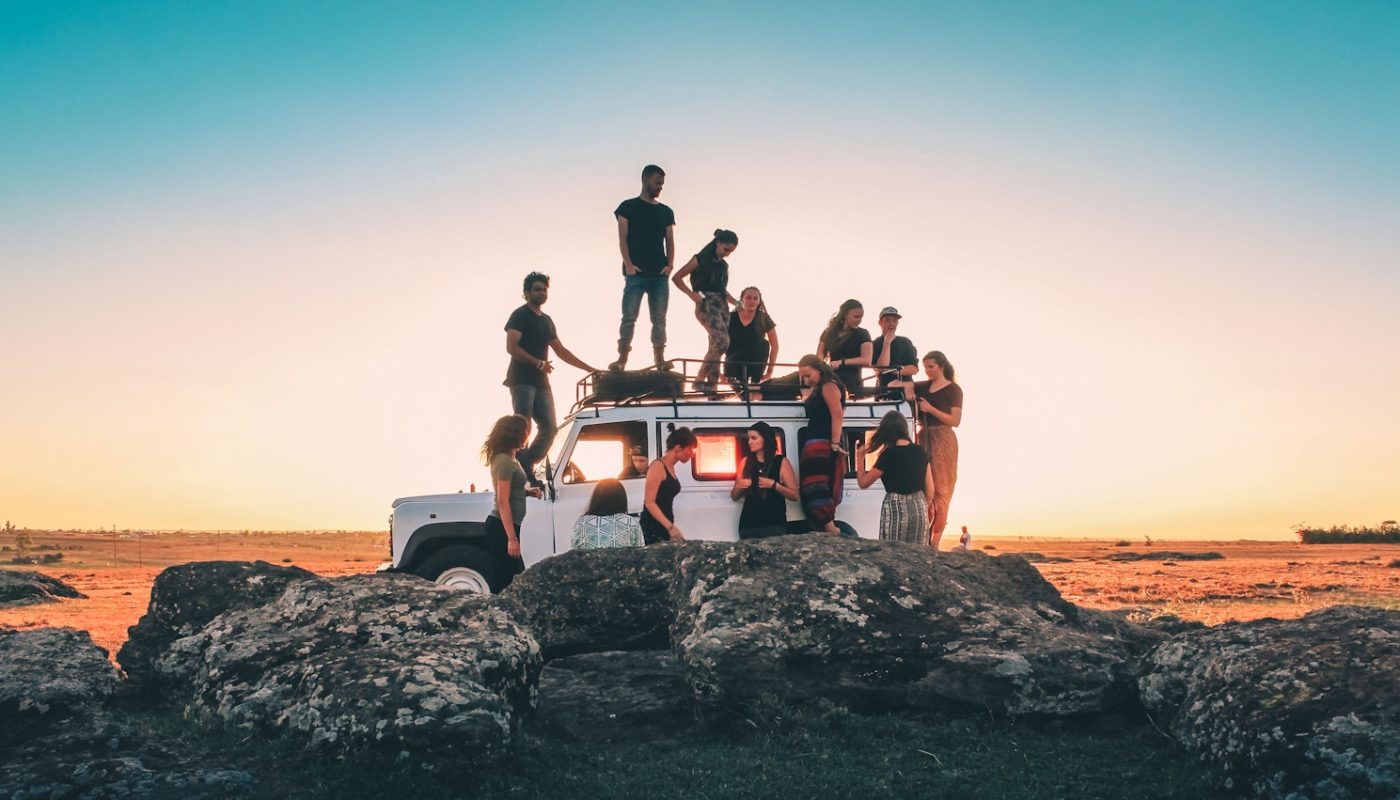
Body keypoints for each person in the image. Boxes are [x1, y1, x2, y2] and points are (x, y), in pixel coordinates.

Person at [504, 272, 599, 480]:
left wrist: (589, 368)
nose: (542, 293)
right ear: (527, 293)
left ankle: (526, 463)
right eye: (537, 289)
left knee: (550, 428)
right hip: (522, 379)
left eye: (545, 290)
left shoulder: (547, 321)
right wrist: (537, 363)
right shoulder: (520, 315)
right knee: (523, 426)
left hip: (541, 382)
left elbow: (561, 351)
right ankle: (520, 470)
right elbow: (511, 347)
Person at [611, 164, 676, 371]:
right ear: (646, 180)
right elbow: (622, 239)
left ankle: (659, 360)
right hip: (636, 274)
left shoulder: (666, 211)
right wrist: (629, 265)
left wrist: (670, 265)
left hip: (659, 275)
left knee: (659, 319)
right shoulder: (627, 207)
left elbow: (670, 240)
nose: (660, 187)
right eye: (657, 183)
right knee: (629, 317)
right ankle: (622, 359)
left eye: (662, 184)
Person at [904, 351, 963, 548]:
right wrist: (909, 389)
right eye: (925, 367)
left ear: (941, 366)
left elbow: (955, 421)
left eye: (931, 367)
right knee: (924, 488)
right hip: (924, 436)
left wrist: (930, 409)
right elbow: (898, 384)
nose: (927, 371)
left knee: (941, 489)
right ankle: (924, 537)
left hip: (943, 438)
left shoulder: (954, 390)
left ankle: (935, 541)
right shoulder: (924, 386)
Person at [854, 411, 935, 545]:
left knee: (894, 551)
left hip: (895, 509)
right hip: (919, 507)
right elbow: (930, 490)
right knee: (918, 552)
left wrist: (859, 457)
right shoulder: (920, 452)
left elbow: (863, 483)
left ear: (887, 432)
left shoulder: (888, 455)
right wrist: (920, 505)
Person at [672, 229, 739, 392]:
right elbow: (677, 277)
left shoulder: (723, 265)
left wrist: (736, 302)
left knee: (715, 347)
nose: (727, 254)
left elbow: (722, 289)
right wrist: (691, 294)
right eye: (726, 249)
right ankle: (699, 379)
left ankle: (712, 388)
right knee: (722, 341)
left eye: (731, 251)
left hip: (722, 305)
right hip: (706, 303)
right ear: (718, 243)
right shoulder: (700, 259)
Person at [481, 414, 540, 586]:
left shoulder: (511, 458)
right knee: (506, 579)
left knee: (513, 576)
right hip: (501, 527)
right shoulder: (504, 462)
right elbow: (502, 500)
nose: (527, 435)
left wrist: (528, 492)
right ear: (516, 434)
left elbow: (511, 489)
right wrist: (512, 539)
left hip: (510, 526)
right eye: (525, 431)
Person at [797, 355, 847, 533]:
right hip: (816, 439)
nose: (806, 379)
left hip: (822, 441)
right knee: (813, 483)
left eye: (808, 374)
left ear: (819, 370)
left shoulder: (829, 386)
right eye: (803, 376)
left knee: (817, 483)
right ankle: (825, 526)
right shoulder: (819, 387)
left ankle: (830, 528)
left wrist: (834, 444)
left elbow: (837, 415)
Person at [730, 421, 798, 539]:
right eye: (748, 439)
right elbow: (734, 496)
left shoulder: (781, 462)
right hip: (748, 526)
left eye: (754, 438)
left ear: (766, 439)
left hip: (774, 525)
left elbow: (795, 496)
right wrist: (739, 487)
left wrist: (774, 485)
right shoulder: (745, 462)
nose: (749, 442)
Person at [640, 426, 698, 544]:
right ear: (678, 448)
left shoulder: (670, 467)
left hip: (664, 525)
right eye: (690, 449)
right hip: (652, 526)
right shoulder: (658, 466)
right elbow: (649, 502)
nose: (692, 455)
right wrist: (670, 527)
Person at [724, 286, 779, 394]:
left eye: (755, 298)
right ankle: (739, 388)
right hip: (733, 363)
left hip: (754, 363)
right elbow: (717, 343)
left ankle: (754, 383)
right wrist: (719, 372)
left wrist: (769, 371)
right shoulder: (730, 317)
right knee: (734, 355)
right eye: (748, 297)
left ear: (759, 301)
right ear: (742, 300)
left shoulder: (764, 318)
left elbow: (775, 346)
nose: (752, 301)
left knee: (764, 344)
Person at [817, 299, 872, 396]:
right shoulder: (828, 333)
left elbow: (867, 360)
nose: (859, 320)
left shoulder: (862, 334)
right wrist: (821, 367)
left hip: (851, 382)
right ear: (845, 315)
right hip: (830, 379)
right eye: (856, 317)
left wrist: (842, 362)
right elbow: (819, 356)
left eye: (861, 317)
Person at [572, 479, 644, 549]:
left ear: (596, 498)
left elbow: (574, 551)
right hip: (620, 557)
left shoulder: (583, 523)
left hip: (590, 557)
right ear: (622, 498)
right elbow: (640, 551)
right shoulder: (630, 522)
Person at [871, 306, 918, 398]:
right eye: (887, 320)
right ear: (880, 322)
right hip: (883, 393)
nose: (891, 324)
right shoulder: (875, 344)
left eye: (894, 321)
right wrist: (887, 343)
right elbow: (881, 368)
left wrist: (892, 371)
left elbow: (913, 369)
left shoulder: (905, 342)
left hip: (905, 394)